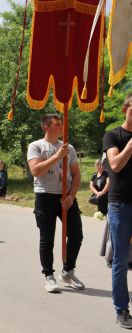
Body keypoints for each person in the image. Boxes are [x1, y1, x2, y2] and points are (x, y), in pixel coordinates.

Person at [27, 113, 84, 293]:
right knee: (47, 238)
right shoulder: (36, 146)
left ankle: (68, 271)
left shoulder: (69, 148)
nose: (61, 127)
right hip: (45, 197)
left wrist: (72, 195)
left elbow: (76, 175)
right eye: (57, 125)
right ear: (46, 127)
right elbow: (36, 170)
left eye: (61, 124)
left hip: (66, 196)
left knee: (76, 234)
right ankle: (49, 276)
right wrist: (58, 156)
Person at [102, 93, 132, 329]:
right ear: (125, 109)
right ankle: (121, 308)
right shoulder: (113, 135)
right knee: (121, 259)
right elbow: (115, 165)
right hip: (121, 205)